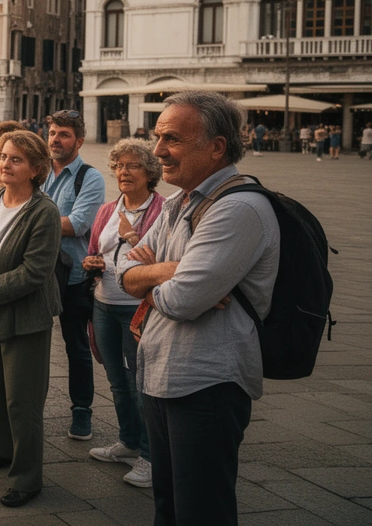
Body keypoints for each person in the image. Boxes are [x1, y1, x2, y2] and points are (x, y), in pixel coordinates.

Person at [121, 91, 279, 526]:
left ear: (216, 147)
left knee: (200, 510)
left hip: (205, 383)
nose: (157, 152)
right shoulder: (178, 202)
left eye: (171, 138)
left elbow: (183, 300)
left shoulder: (239, 208)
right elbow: (120, 273)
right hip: (160, 373)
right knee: (167, 506)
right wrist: (168, 271)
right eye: (157, 137)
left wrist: (154, 278)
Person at [0, 130, 63, 508]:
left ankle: (27, 478)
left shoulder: (44, 211)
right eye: (3, 157)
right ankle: (5, 451)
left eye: (15, 159)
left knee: (23, 399)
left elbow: (36, 270)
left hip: (25, 315)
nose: (5, 164)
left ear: (37, 169)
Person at [83, 139, 166, 489]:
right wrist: (92, 263)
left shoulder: (162, 210)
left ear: (150, 172)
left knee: (140, 383)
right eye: (119, 165)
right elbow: (92, 250)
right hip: (104, 303)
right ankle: (128, 441)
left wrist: (132, 238)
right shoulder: (107, 209)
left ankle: (150, 456)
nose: (124, 172)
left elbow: (160, 262)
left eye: (132, 165)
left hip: (138, 308)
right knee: (117, 381)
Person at [42, 109, 105, 441]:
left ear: (79, 141)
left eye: (64, 134)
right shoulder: (40, 172)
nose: (56, 139)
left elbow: (78, 224)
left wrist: (34, 223)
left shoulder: (89, 178)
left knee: (76, 346)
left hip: (73, 276)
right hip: (38, 271)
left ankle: (82, 411)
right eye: (52, 133)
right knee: (32, 340)